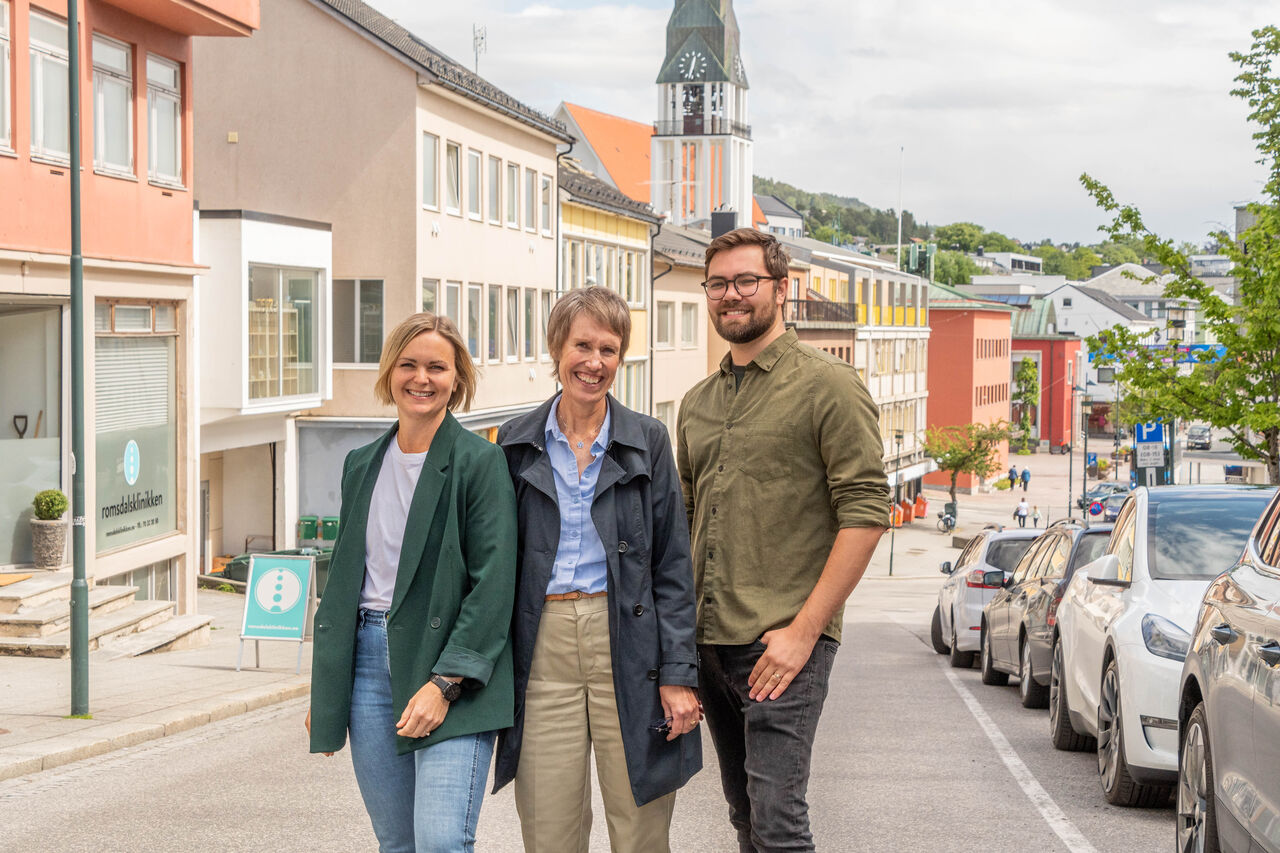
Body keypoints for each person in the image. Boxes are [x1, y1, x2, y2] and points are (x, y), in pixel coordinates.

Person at [677, 229, 889, 852]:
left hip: (782, 644)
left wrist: (805, 633)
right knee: (746, 816)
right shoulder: (698, 402)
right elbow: (686, 523)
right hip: (710, 644)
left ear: (780, 288)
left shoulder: (829, 385)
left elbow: (867, 512)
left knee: (779, 824)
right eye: (718, 284)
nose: (730, 296)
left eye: (746, 281)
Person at [494, 286, 702, 853]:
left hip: (630, 643)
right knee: (549, 828)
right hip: (543, 646)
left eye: (608, 349)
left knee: (641, 828)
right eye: (582, 345)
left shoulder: (648, 441)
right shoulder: (513, 444)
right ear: (557, 349)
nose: (594, 362)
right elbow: (492, 565)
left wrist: (680, 673)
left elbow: (673, 567)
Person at [306, 313, 517, 853]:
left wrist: (446, 682)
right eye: (409, 364)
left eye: (437, 367)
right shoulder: (360, 464)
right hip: (369, 668)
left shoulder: (480, 462)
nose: (422, 378)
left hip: (450, 666)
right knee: (396, 844)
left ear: (457, 379)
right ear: (390, 372)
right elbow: (347, 580)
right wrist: (330, 685)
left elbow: (493, 585)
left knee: (442, 842)